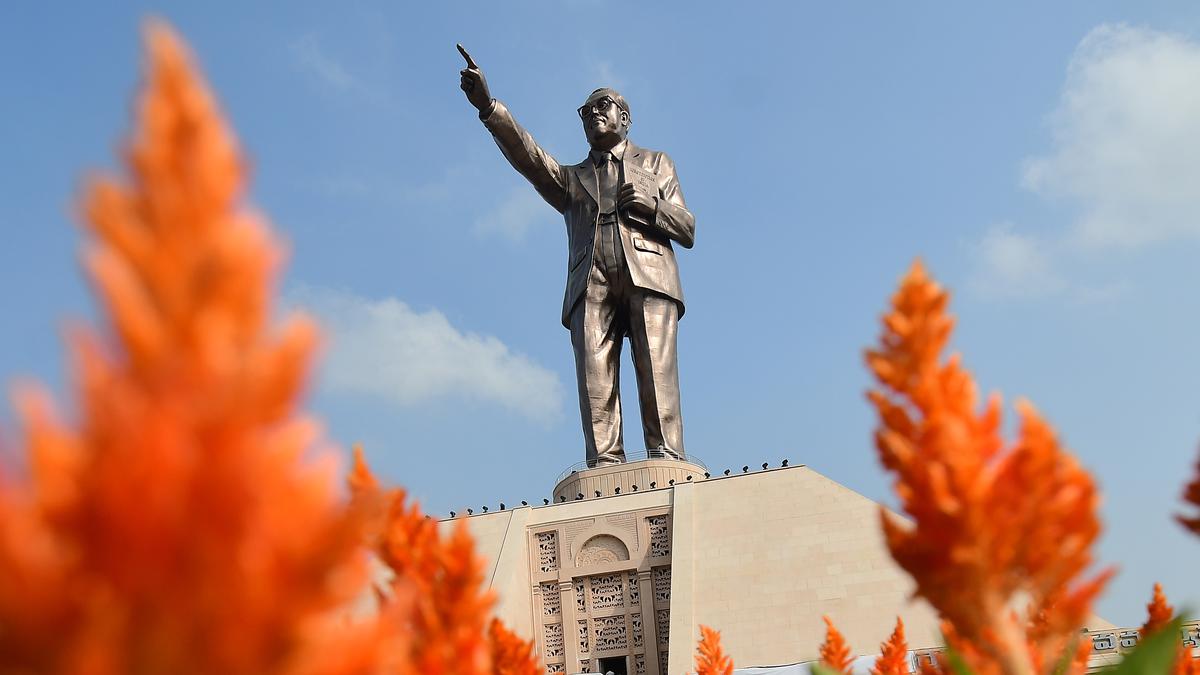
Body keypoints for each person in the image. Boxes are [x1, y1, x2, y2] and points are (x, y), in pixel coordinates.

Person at [457, 44, 695, 467]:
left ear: (626, 118)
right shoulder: (572, 180)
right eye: (585, 113)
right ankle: (605, 465)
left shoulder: (657, 163)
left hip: (650, 271)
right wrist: (490, 107)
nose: (593, 114)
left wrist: (651, 206)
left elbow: (687, 228)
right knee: (594, 380)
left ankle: (666, 459)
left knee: (656, 374)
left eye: (602, 106)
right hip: (590, 276)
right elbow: (528, 157)